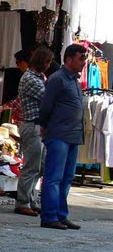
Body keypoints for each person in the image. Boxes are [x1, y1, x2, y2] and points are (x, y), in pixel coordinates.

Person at [37, 43, 87, 230]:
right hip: (59, 134)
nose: (83, 62)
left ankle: (60, 214)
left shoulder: (73, 80)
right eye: (80, 58)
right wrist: (44, 125)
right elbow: (46, 105)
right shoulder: (57, 79)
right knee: (54, 177)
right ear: (68, 59)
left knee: (66, 178)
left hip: (73, 136)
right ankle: (49, 216)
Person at [14, 46, 52, 218]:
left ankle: (30, 199)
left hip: (38, 126)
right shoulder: (30, 78)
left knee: (40, 166)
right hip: (32, 125)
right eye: (47, 61)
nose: (49, 65)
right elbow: (47, 99)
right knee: (31, 166)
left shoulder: (38, 77)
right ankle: (22, 202)